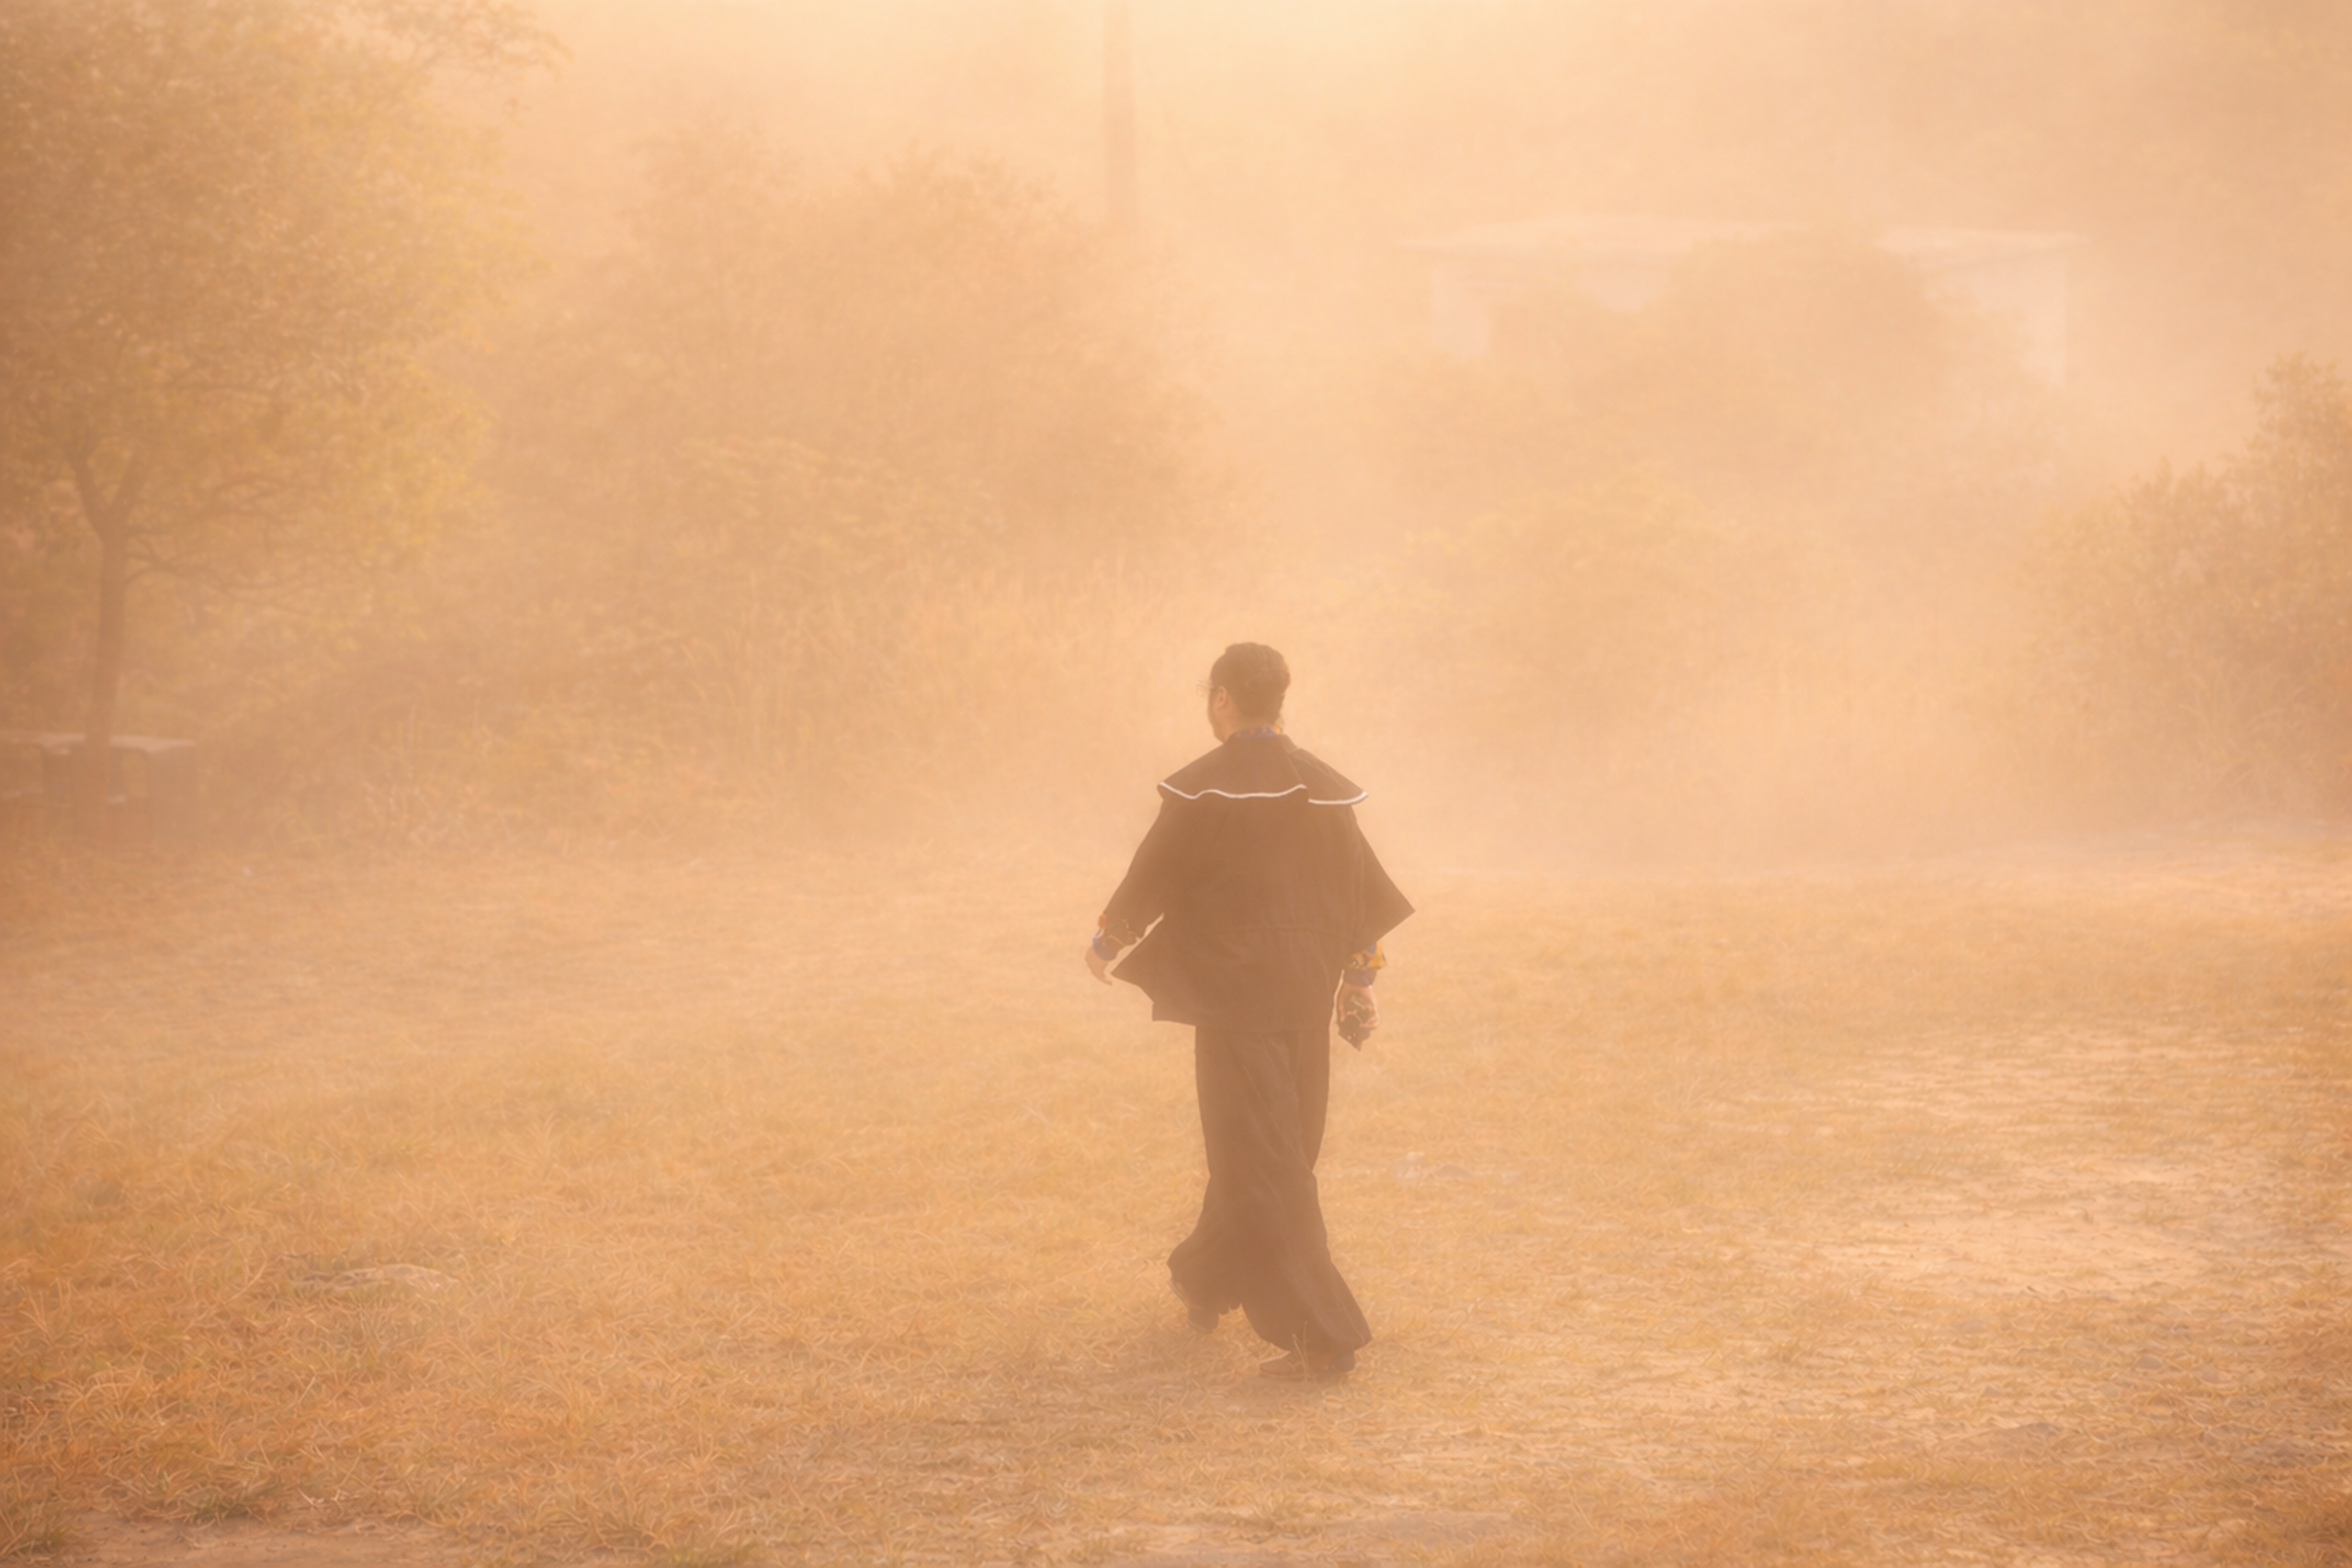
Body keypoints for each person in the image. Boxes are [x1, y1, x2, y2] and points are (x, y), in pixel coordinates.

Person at [1086, 642, 1412, 1382]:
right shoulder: (1321, 789)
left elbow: (1155, 872)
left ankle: (1323, 1333)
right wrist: (1358, 979)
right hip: (1300, 993)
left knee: (1265, 1158)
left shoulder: (1206, 790)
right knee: (1274, 1147)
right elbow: (1358, 890)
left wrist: (1109, 938)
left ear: (1224, 698)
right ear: (1280, 698)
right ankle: (1205, 1278)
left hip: (1237, 1001)